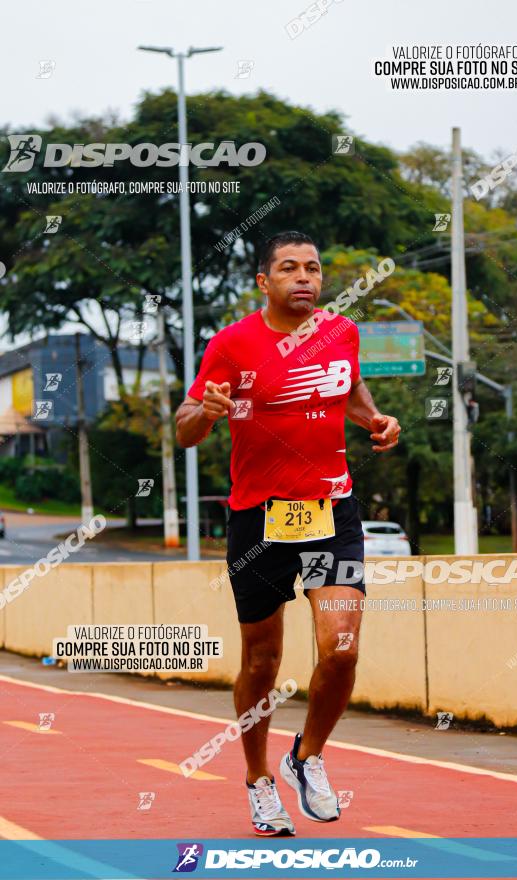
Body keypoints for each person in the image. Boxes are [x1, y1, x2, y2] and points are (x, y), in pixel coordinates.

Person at [176, 231, 400, 836]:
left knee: (343, 649)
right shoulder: (232, 345)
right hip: (259, 518)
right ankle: (256, 780)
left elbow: (346, 388)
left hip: (331, 509)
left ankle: (306, 757)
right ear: (263, 281)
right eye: (289, 268)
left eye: (314, 268)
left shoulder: (341, 332)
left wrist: (375, 419)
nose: (304, 277)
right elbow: (184, 428)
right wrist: (208, 411)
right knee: (263, 660)